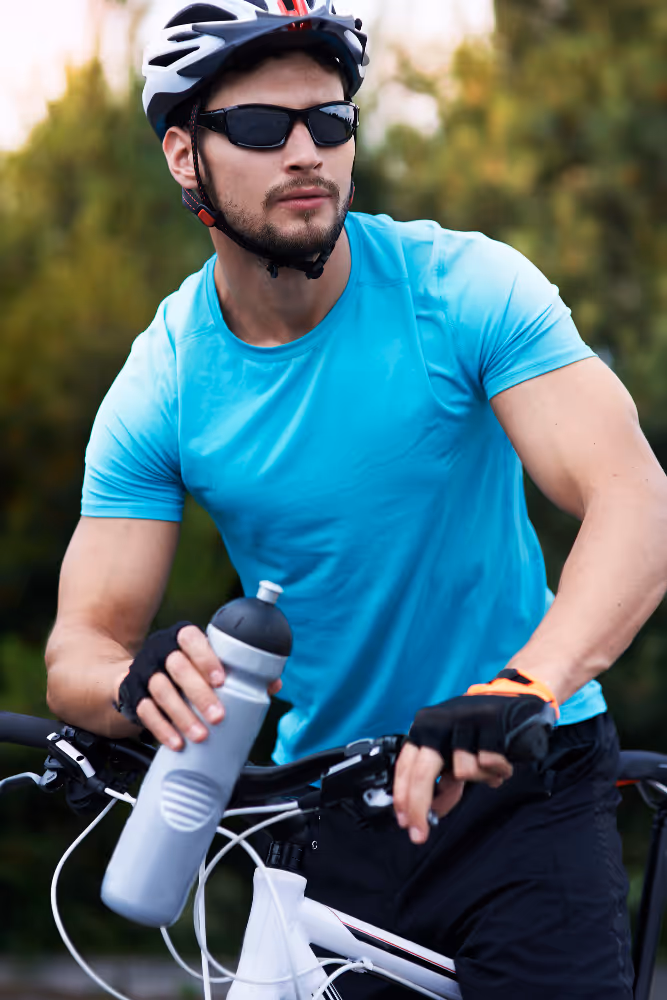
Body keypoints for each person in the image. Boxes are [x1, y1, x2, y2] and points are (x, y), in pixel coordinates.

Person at [44, 2, 667, 996]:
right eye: (260, 126)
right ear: (182, 155)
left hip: (516, 784)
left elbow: (634, 499)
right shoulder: (162, 379)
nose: (306, 151)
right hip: (318, 808)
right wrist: (133, 683)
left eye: (329, 122)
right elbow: (78, 649)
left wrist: (523, 687)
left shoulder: (462, 287)